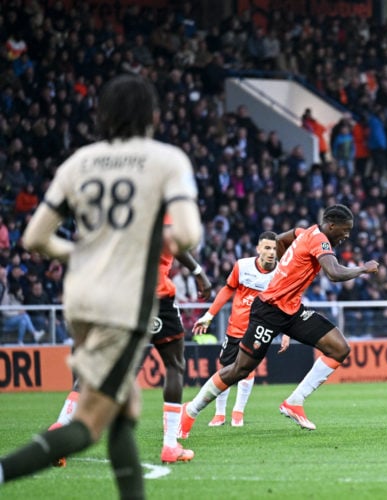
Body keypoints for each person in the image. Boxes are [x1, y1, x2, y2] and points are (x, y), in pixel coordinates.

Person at [0, 74, 202, 497]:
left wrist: (85, 255)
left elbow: (35, 238)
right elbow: (186, 235)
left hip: (80, 299)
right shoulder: (167, 160)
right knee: (91, 424)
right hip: (125, 300)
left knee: (125, 407)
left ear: (103, 116)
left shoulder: (80, 163)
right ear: (154, 116)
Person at [179, 204, 378, 436]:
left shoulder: (303, 233)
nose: (346, 236)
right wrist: (363, 269)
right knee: (240, 369)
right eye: (345, 230)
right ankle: (190, 411)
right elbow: (334, 273)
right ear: (331, 225)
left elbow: (281, 239)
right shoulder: (319, 239)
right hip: (269, 311)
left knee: (339, 348)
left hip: (292, 311)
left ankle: (294, 402)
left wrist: (285, 267)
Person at [48, 238, 211, 465]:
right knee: (174, 364)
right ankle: (170, 445)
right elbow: (174, 241)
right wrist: (198, 271)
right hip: (156, 298)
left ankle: (61, 426)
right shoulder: (163, 208)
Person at [191, 231, 278, 428]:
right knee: (224, 368)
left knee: (248, 369)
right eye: (267, 247)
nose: (271, 252)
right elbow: (227, 289)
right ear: (258, 248)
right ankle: (219, 414)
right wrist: (209, 314)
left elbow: (286, 302)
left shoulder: (280, 273)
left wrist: (288, 333)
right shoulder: (243, 265)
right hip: (235, 328)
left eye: (274, 248)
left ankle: (238, 412)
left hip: (257, 330)